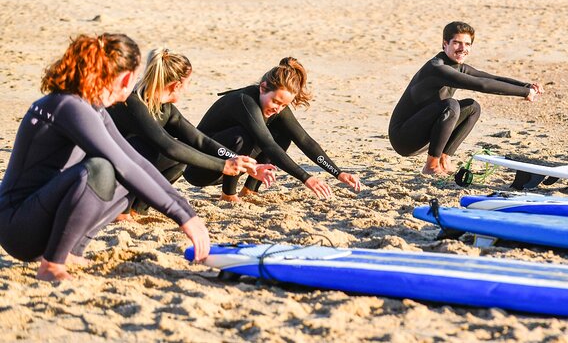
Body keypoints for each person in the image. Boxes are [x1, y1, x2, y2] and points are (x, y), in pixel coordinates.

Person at [0, 34, 210, 281]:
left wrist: (187, 211)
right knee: (101, 169)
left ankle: (71, 252)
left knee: (127, 173)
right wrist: (182, 218)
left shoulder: (91, 107)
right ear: (126, 77)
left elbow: (136, 161)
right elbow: (122, 165)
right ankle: (52, 265)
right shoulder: (68, 106)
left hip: (38, 217)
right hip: (18, 226)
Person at [107, 48, 276, 217]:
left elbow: (200, 140)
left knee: (179, 160)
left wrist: (248, 165)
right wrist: (223, 166)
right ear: (177, 85)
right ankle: (122, 211)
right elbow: (169, 146)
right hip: (100, 175)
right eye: (188, 84)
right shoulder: (132, 103)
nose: (187, 89)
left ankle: (137, 209)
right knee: (147, 147)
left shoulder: (165, 108)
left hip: (120, 172)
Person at [183, 57, 361, 201]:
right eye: (276, 101)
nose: (277, 108)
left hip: (234, 166)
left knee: (282, 135)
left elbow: (305, 140)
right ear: (262, 88)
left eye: (284, 105)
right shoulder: (245, 101)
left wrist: (338, 173)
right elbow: (268, 145)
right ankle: (229, 195)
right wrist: (307, 178)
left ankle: (250, 190)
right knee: (243, 137)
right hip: (202, 169)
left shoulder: (277, 106)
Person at [388, 21, 543, 176]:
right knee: (450, 105)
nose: (463, 49)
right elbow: (482, 85)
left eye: (467, 44)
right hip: (404, 138)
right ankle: (431, 166)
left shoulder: (459, 66)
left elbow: (490, 78)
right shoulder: (437, 68)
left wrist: (526, 86)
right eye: (457, 43)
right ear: (445, 44)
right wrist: (524, 93)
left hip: (427, 135)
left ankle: (444, 159)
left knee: (472, 107)